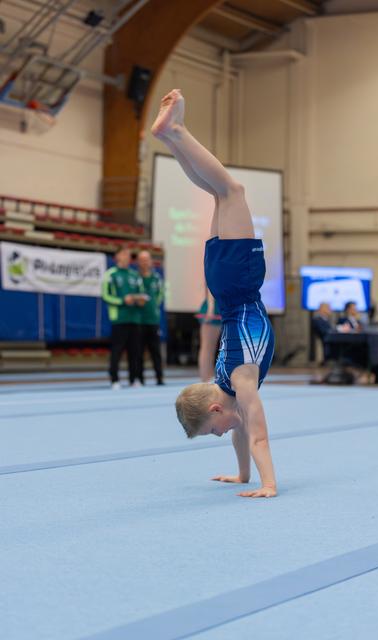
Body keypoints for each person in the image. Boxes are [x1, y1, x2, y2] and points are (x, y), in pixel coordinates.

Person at [152, 88, 276, 498]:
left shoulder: (241, 381)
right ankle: (170, 138)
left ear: (214, 407)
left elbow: (258, 436)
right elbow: (243, 430)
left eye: (212, 430)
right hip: (222, 284)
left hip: (239, 284)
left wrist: (269, 485)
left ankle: (177, 131)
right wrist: (242, 476)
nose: (220, 435)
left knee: (233, 191)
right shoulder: (225, 385)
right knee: (216, 192)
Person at [102, 246, 145, 389]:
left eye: (129, 254)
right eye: (124, 254)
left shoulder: (135, 275)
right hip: (119, 319)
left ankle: (134, 379)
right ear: (117, 256)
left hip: (135, 318)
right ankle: (114, 380)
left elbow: (142, 294)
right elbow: (105, 295)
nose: (128, 256)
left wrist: (140, 300)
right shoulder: (110, 274)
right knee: (117, 351)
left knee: (135, 351)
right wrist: (122, 300)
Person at [135, 250, 165, 385]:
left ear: (151, 261)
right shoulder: (134, 278)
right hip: (138, 320)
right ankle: (140, 379)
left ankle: (159, 378)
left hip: (153, 320)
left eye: (146, 259)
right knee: (139, 352)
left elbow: (160, 296)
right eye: (141, 259)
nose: (144, 262)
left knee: (156, 352)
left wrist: (153, 307)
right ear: (138, 262)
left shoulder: (157, 278)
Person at [197, 288, 222, 382]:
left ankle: (208, 378)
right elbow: (210, 289)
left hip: (221, 308)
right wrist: (210, 309)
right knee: (207, 348)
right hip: (213, 310)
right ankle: (205, 379)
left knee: (211, 349)